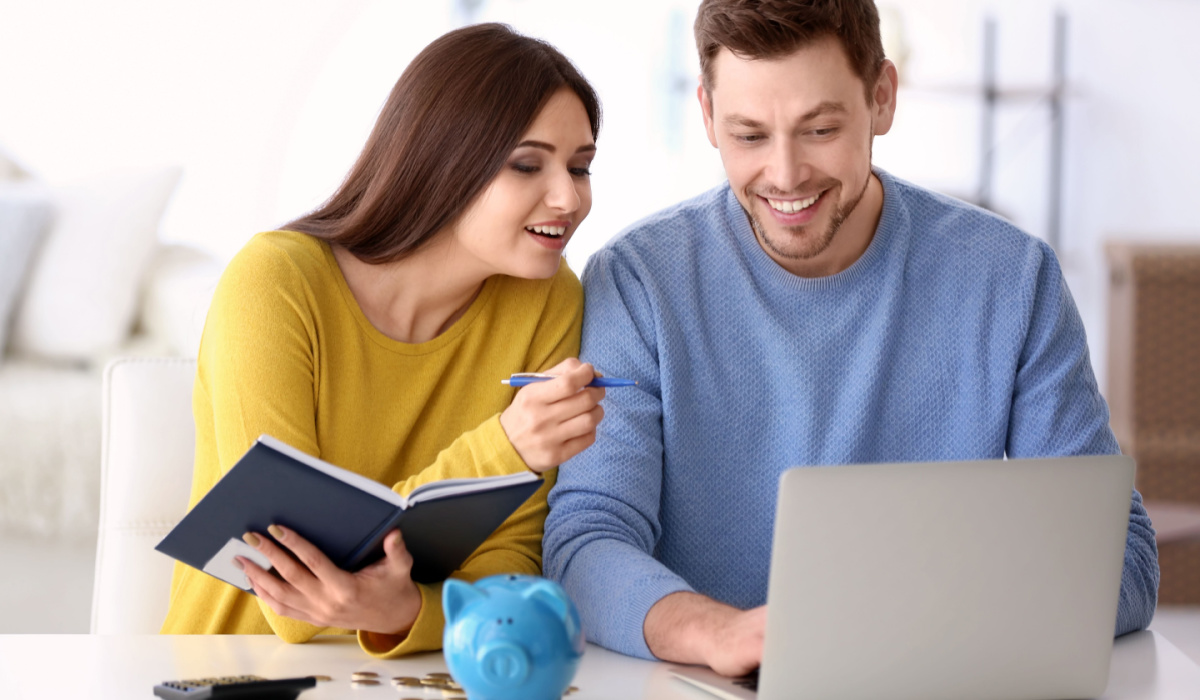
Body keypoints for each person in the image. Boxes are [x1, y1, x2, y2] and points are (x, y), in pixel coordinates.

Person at [543, 0, 1159, 677]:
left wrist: (926, 633)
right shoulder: (639, 281)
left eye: (820, 129)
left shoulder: (1012, 278)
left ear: (882, 99)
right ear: (709, 116)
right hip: (700, 684)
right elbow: (586, 540)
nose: (785, 175)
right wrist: (717, 634)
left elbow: (1120, 557)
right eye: (750, 135)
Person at [161, 23, 607, 658]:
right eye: (528, 164)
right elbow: (288, 593)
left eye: (581, 166)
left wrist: (408, 612)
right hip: (239, 672)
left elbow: (513, 562)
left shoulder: (549, 298)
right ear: (444, 162)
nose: (569, 197)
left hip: (425, 675)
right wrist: (503, 446)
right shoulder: (275, 283)